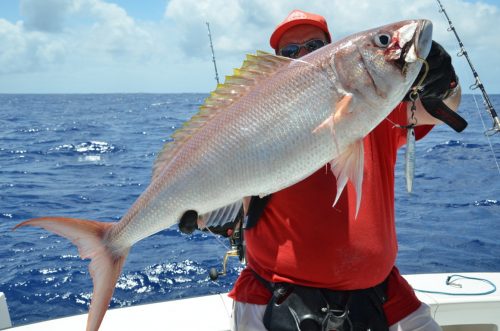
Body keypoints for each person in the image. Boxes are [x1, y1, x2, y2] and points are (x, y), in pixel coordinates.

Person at [227, 9, 463, 331]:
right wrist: (205, 210)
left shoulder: (375, 106)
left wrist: (445, 80)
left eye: (314, 45)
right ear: (278, 64)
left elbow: (443, 111)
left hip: (381, 295)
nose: (304, 55)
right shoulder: (258, 124)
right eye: (290, 52)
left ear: (332, 52)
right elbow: (239, 197)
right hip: (274, 294)